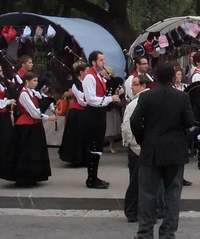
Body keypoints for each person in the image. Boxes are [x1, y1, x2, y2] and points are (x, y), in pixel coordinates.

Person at [130, 64, 195, 239]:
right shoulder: (182, 97)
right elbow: (189, 122)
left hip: (151, 149)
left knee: (147, 193)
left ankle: (145, 233)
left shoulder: (146, 96)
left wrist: (143, 138)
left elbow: (135, 121)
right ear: (174, 77)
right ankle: (167, 234)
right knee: (173, 194)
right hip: (174, 150)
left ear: (155, 77)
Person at [0, 71, 51, 187]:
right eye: (34, 81)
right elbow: (33, 112)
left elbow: (43, 99)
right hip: (26, 126)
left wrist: (51, 106)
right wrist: (47, 117)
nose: (36, 83)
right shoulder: (23, 94)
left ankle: (34, 175)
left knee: (35, 151)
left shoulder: (32, 92)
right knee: (26, 151)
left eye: (37, 81)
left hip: (34, 125)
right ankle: (25, 177)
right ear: (27, 82)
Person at [82, 51, 121, 188]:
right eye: (101, 60)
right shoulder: (89, 78)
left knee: (97, 145)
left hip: (99, 114)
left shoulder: (98, 76)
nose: (103, 62)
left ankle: (94, 176)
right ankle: (91, 179)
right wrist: (110, 99)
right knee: (94, 146)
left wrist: (115, 92)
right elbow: (91, 99)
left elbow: (104, 92)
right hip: (93, 114)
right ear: (93, 62)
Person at [119, 74, 149, 223]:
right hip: (139, 146)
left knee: (136, 181)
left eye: (135, 84)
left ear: (143, 86)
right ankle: (134, 210)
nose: (132, 87)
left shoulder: (136, 103)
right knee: (139, 181)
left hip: (137, 147)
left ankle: (132, 210)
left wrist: (131, 143)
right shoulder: (137, 102)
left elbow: (126, 127)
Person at [58, 62, 89, 167]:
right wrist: (90, 102)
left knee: (84, 135)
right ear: (81, 72)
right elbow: (81, 100)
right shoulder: (76, 85)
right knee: (77, 135)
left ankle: (84, 157)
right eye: (86, 71)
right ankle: (76, 158)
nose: (88, 73)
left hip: (84, 112)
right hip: (77, 112)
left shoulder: (86, 83)